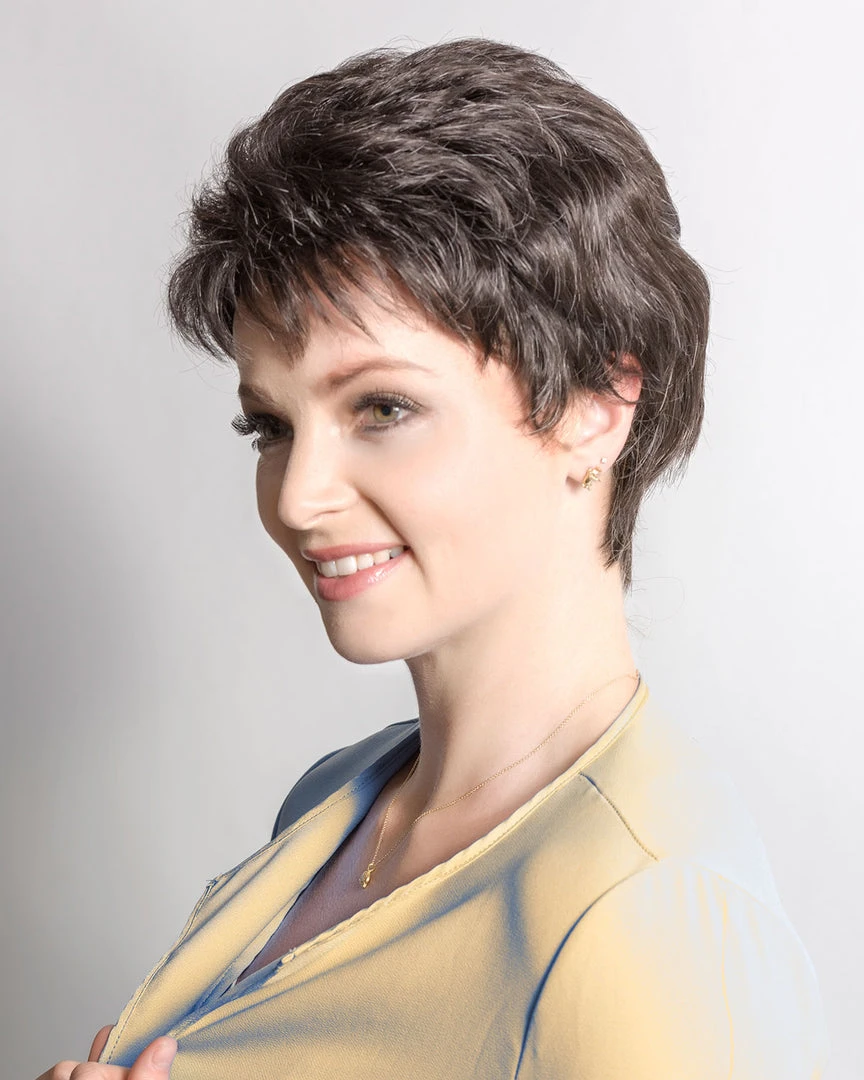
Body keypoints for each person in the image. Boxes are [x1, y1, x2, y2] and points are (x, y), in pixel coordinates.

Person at [38, 36, 828, 1080]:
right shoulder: (341, 800)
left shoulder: (650, 924)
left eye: (383, 408)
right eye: (271, 427)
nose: (299, 496)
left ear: (596, 404)